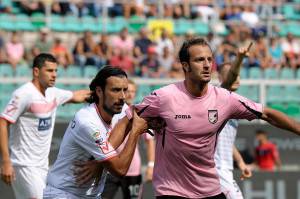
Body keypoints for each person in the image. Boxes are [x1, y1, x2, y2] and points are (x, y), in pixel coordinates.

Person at [127, 37, 300, 198]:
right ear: (185, 66)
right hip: (171, 190)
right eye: (200, 60)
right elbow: (130, 117)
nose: (207, 65)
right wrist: (109, 152)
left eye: (210, 59)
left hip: (210, 187)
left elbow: (267, 114)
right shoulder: (164, 97)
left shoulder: (224, 99)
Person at [43, 66, 158, 198]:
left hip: (92, 195)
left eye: (124, 90)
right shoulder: (87, 122)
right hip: (64, 194)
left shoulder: (119, 108)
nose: (122, 96)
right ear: (99, 91)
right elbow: (120, 169)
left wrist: (99, 163)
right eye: (115, 90)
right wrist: (135, 132)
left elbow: (127, 119)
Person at [0, 53, 91, 199]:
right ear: (36, 72)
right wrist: (6, 161)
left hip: (42, 166)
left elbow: (77, 96)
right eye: (49, 71)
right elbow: (3, 122)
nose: (54, 75)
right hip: (23, 165)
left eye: (56, 71)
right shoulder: (23, 94)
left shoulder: (53, 93)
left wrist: (102, 93)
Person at [102, 79, 155, 199]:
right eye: (127, 91)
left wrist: (151, 165)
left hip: (132, 170)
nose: (130, 94)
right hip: (110, 168)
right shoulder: (110, 112)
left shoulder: (138, 114)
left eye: (133, 91)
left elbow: (149, 141)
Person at [215, 43, 253, 199]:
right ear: (220, 77)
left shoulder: (233, 102)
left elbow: (226, 141)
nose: (236, 78)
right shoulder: (217, 96)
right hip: (215, 167)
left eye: (238, 75)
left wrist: (241, 162)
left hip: (225, 166)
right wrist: (240, 59)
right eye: (233, 74)